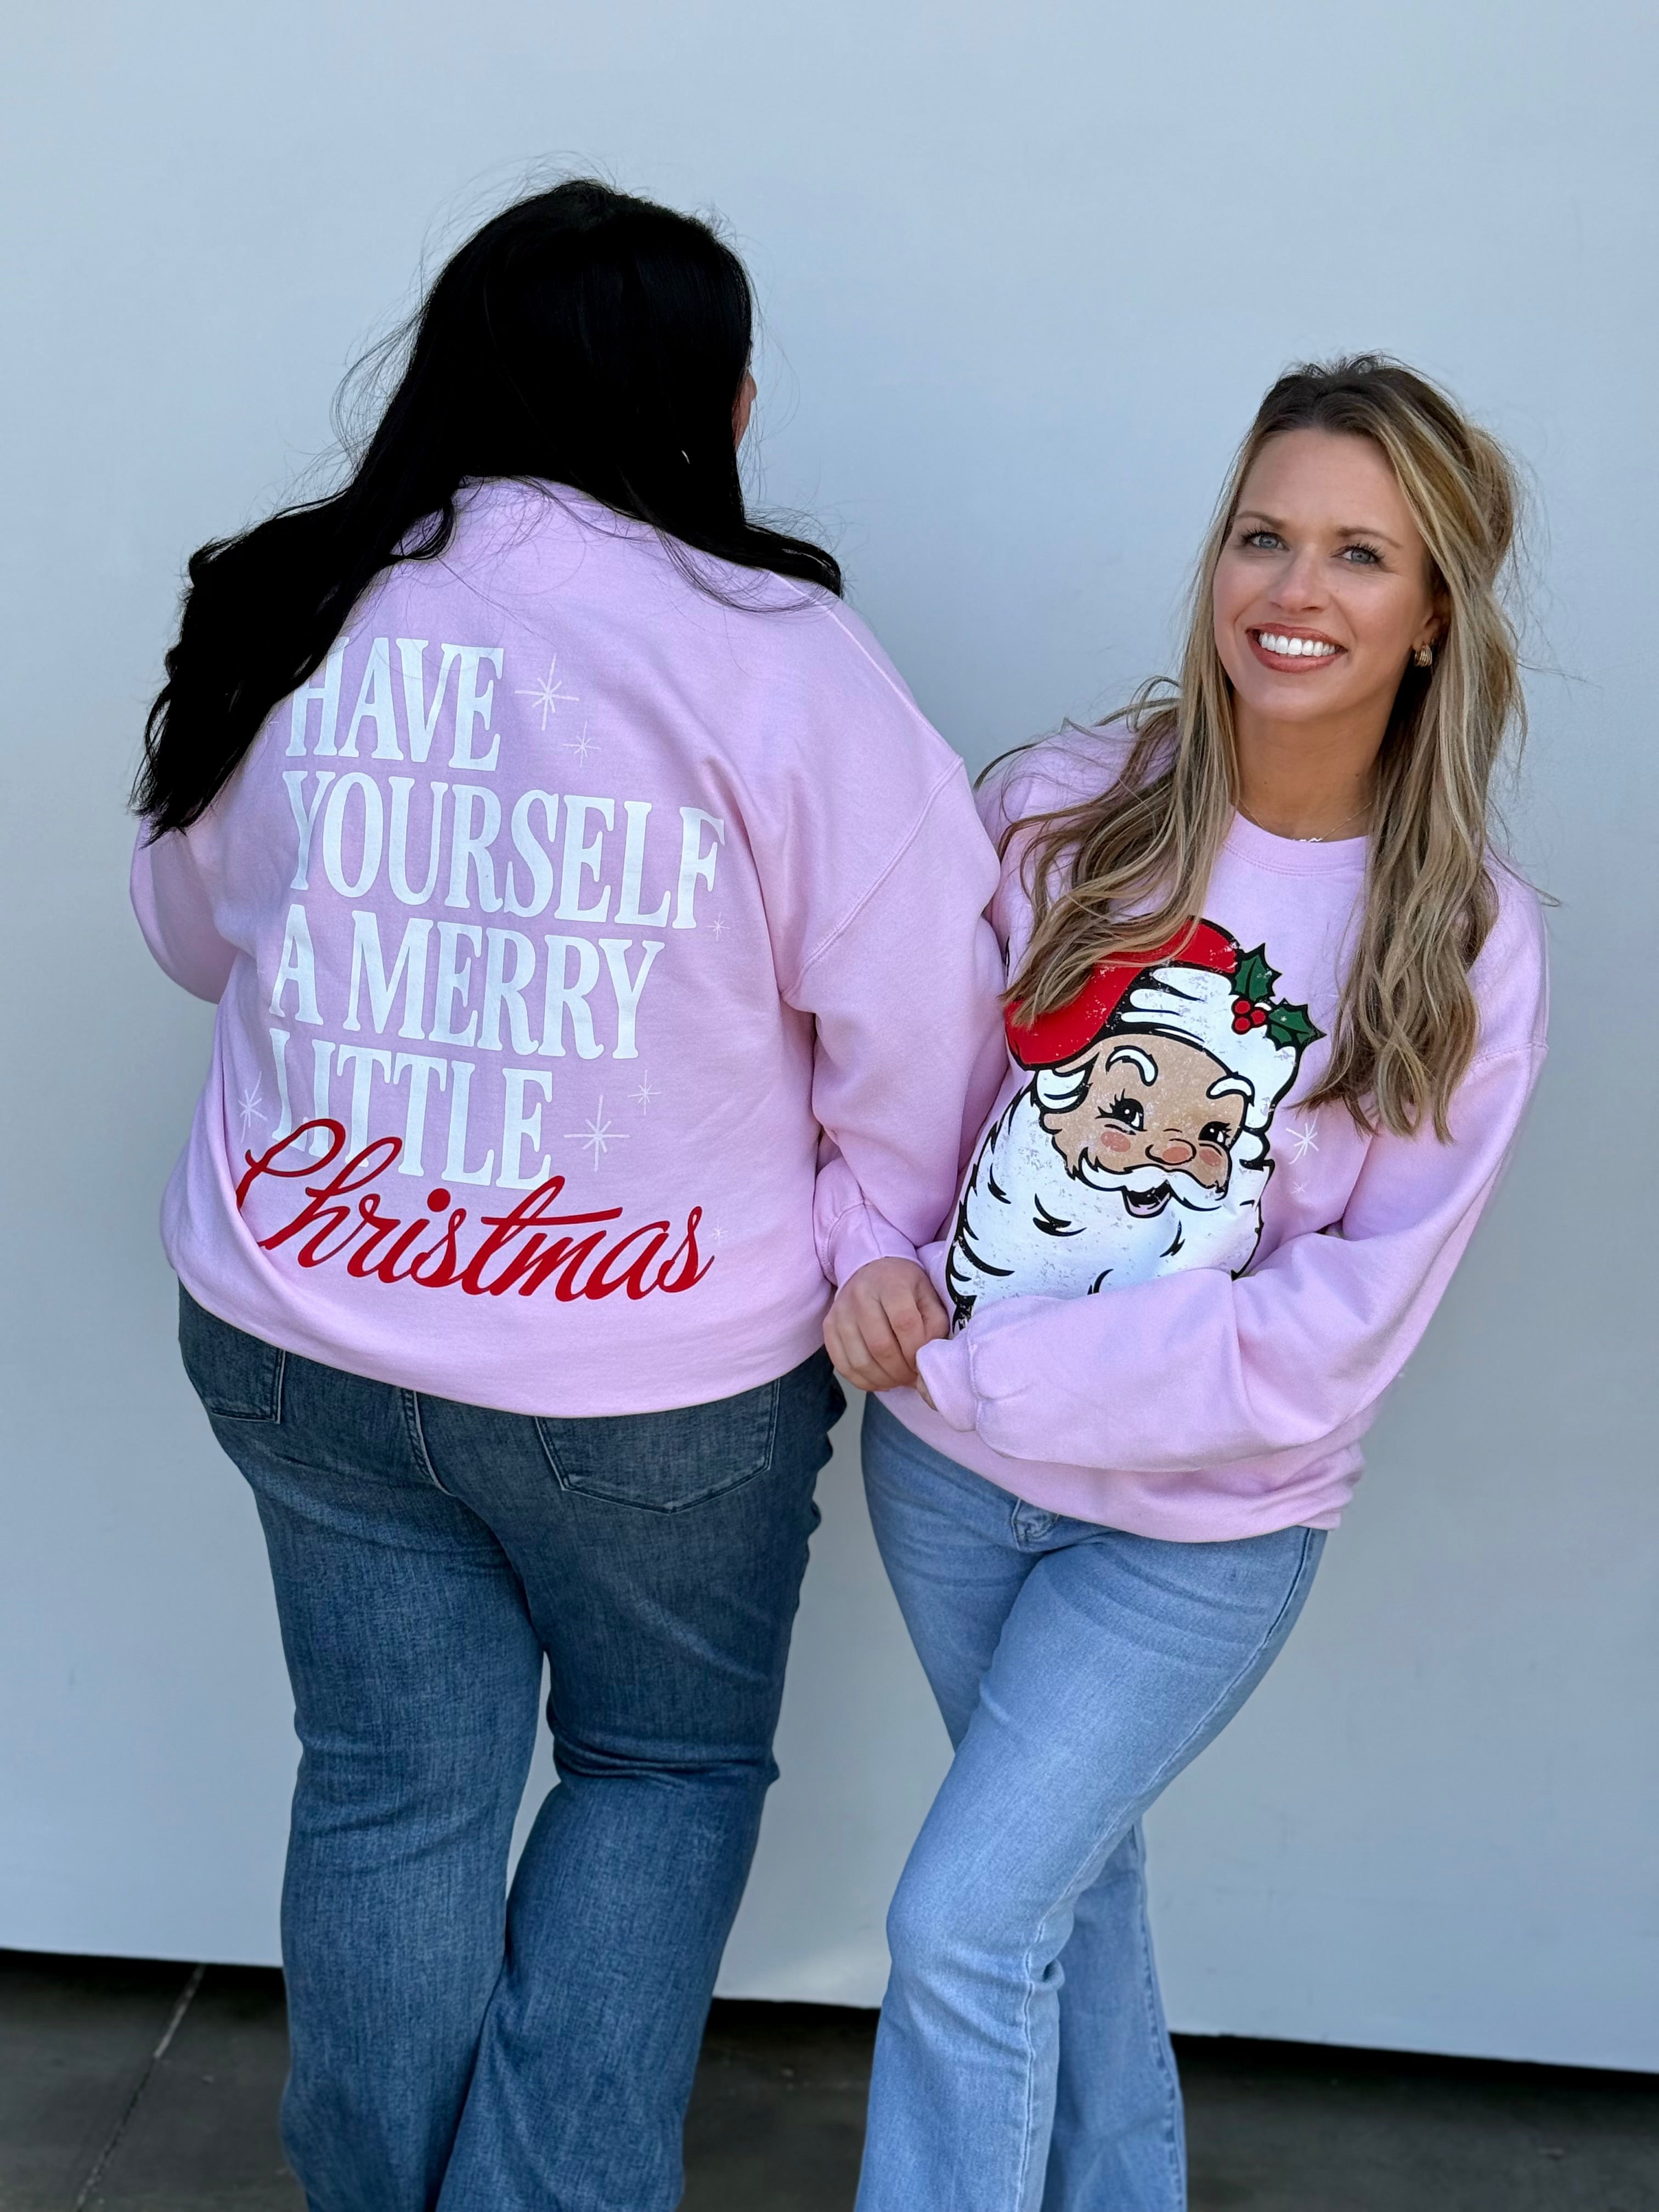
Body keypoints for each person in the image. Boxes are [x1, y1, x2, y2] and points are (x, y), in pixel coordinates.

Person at [131, 179, 1005, 2212]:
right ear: (719, 402)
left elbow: (194, 930)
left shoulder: (300, 605)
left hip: (302, 1328)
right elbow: (926, 1024)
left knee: (390, 1793)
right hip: (653, 1385)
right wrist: (873, 1245)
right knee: (661, 1767)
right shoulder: (781, 660)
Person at [826, 356, 1548, 2211]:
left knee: (966, 1924)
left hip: (1197, 1537)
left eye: (1360, 555)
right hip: (948, 1486)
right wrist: (871, 1258)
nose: (1295, 592)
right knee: (1062, 1894)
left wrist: (983, 1368)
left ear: (1435, 612)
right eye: (1263, 536)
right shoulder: (1065, 809)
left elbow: (1335, 1334)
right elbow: (906, 1092)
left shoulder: (1462, 939)